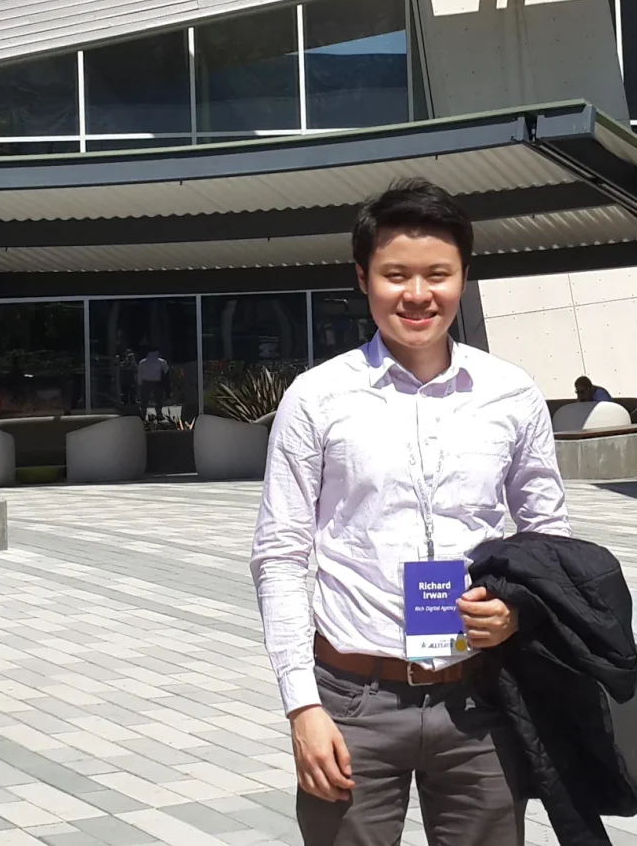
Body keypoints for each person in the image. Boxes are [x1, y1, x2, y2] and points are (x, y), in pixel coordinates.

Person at [252, 180, 568, 846]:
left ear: (463, 277)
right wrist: (302, 707)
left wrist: (519, 611)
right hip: (352, 702)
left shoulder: (510, 393)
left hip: (480, 699)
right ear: (363, 278)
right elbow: (279, 555)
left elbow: (549, 538)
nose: (418, 294)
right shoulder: (316, 398)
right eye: (396, 275)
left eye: (437, 274)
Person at [136, 344, 170, 418]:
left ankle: (143, 413)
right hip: (157, 382)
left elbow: (140, 374)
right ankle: (159, 413)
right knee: (158, 399)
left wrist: (140, 383)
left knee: (144, 399)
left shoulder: (142, 362)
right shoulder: (162, 362)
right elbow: (166, 371)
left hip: (146, 382)